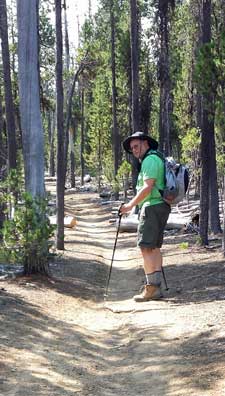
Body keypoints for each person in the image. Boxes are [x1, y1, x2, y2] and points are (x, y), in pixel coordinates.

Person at [120, 131, 171, 302]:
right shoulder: (156, 158)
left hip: (152, 207)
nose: (134, 150)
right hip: (160, 206)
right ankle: (155, 287)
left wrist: (129, 206)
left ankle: (151, 289)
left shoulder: (149, 160)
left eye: (136, 146)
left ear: (146, 143)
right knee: (154, 247)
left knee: (146, 247)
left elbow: (147, 187)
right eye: (132, 148)